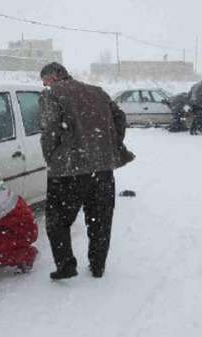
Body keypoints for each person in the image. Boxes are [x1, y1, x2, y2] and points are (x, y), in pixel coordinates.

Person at [39, 62, 134, 280]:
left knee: (57, 221)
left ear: (52, 77)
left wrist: (52, 158)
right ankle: (98, 265)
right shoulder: (97, 91)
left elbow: (49, 131)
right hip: (102, 168)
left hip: (68, 170)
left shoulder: (51, 94)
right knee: (100, 218)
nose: (44, 85)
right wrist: (110, 145)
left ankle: (66, 265)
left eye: (44, 81)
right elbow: (119, 117)